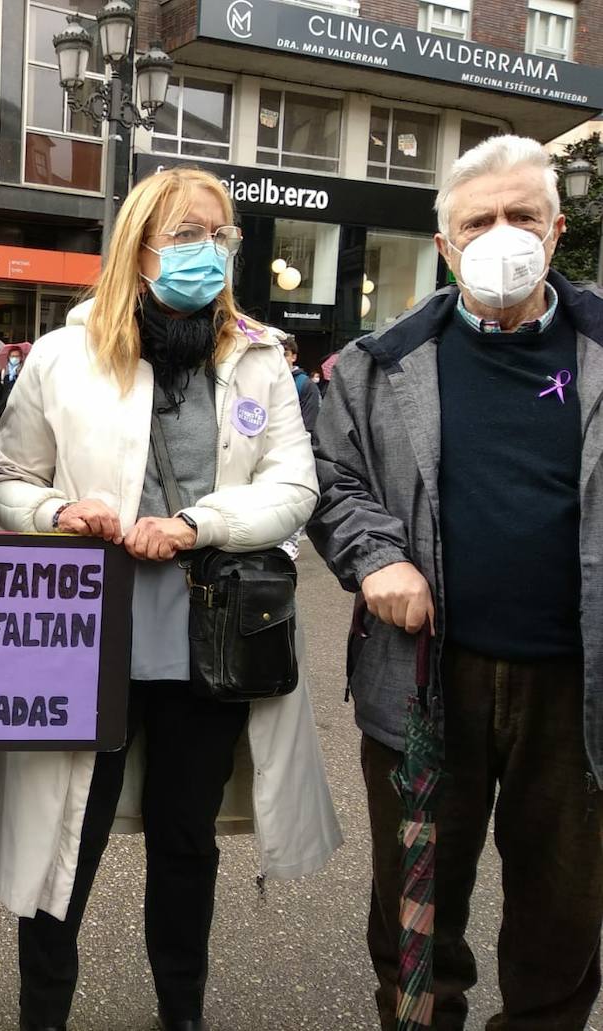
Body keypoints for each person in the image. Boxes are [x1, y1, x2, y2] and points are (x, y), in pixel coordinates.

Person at [0, 166, 341, 1031]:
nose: (206, 250)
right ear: (138, 250)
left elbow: (295, 485)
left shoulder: (259, 356)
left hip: (206, 642)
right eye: (185, 234)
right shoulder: (63, 354)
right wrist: (61, 509)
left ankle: (182, 1010)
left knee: (185, 843)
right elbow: (7, 479)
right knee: (67, 839)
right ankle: (43, 1013)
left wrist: (197, 523)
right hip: (83, 642)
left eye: (220, 234)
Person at [308, 134, 603, 1030]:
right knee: (416, 917)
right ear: (446, 244)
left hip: (579, 686)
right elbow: (331, 478)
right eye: (481, 220)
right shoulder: (378, 362)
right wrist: (376, 557)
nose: (502, 234)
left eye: (523, 216)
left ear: (556, 235)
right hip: (429, 681)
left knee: (564, 918)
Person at [283, 334, 321, 435]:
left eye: (285, 354)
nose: (280, 358)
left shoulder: (306, 385)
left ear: (294, 357)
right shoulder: (265, 381)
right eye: (277, 354)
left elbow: (309, 425)